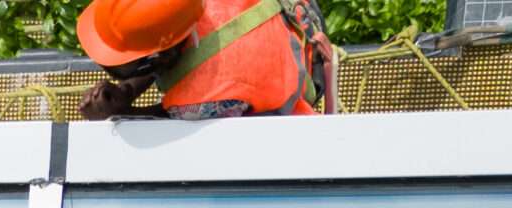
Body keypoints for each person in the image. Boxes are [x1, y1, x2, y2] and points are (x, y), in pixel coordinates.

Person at [74, 0, 335, 120]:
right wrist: (125, 90)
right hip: (298, 13)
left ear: (162, 57)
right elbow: (168, 53)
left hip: (305, 77)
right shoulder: (182, 7)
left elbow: (166, 125)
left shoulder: (200, 101)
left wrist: (119, 111)